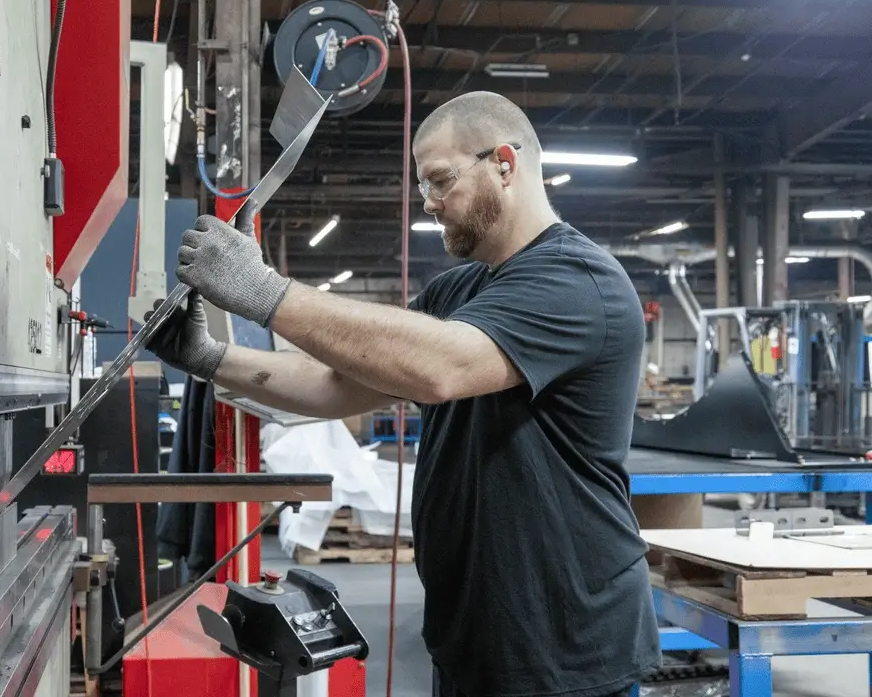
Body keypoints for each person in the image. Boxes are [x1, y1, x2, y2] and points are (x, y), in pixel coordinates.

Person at [147, 91, 662, 697]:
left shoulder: (579, 281)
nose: (429, 202)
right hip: (475, 632)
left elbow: (439, 366)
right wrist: (211, 358)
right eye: (424, 185)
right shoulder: (457, 290)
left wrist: (264, 292)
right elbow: (337, 382)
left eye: (441, 181)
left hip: (567, 641)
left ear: (504, 162)